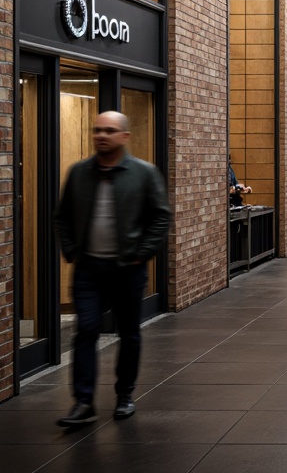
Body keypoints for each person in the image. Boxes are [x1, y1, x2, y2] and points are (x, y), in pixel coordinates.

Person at [54, 111, 171, 427]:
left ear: (124, 136)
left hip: (127, 269)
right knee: (86, 330)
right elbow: (63, 216)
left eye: (108, 130)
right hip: (89, 269)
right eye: (96, 130)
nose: (101, 136)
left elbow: (161, 217)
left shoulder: (144, 174)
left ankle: (124, 395)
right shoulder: (79, 173)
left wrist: (142, 253)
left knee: (129, 333)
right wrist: (71, 251)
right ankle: (83, 401)